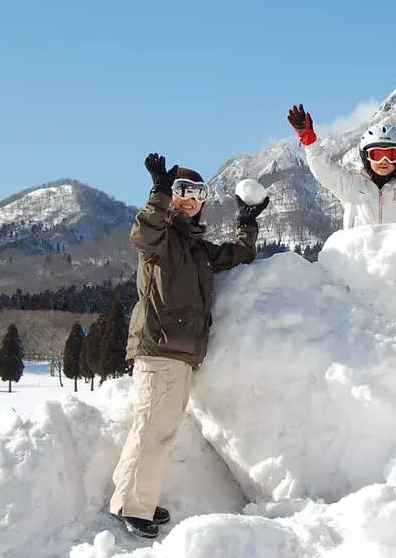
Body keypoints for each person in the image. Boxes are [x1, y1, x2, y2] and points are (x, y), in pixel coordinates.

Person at [109, 152, 269, 538]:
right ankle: (132, 505)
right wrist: (158, 194)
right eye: (180, 191)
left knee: (158, 429)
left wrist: (247, 222)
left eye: (197, 193)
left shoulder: (197, 249)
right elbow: (143, 232)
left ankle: (134, 495)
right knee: (152, 430)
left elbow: (240, 254)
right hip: (159, 349)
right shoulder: (160, 241)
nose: (187, 199)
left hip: (182, 353)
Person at [286, 102, 396, 228]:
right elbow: (323, 170)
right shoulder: (351, 186)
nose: (383, 162)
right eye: (377, 155)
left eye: (390, 155)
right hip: (360, 266)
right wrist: (309, 141)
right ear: (366, 158)